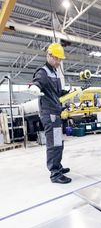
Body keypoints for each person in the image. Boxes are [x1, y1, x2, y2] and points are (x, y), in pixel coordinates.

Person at [29, 43, 72, 184]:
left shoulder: (54, 72)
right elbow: (37, 83)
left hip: (56, 112)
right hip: (49, 114)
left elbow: (56, 92)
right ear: (49, 56)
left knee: (59, 143)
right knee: (54, 144)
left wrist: (68, 92)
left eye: (60, 59)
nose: (59, 62)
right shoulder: (43, 72)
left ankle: (58, 167)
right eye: (57, 59)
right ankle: (55, 174)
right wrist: (34, 87)